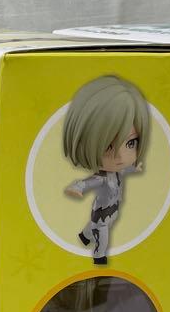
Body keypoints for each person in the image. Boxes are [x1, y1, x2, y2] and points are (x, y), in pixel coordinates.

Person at [62, 75, 149, 265]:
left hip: (112, 210)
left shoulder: (117, 172)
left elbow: (125, 170)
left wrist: (135, 167)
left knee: (94, 225)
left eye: (131, 143)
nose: (120, 157)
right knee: (102, 234)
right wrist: (76, 188)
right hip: (102, 213)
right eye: (108, 146)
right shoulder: (101, 178)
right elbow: (85, 183)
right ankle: (99, 256)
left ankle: (85, 236)